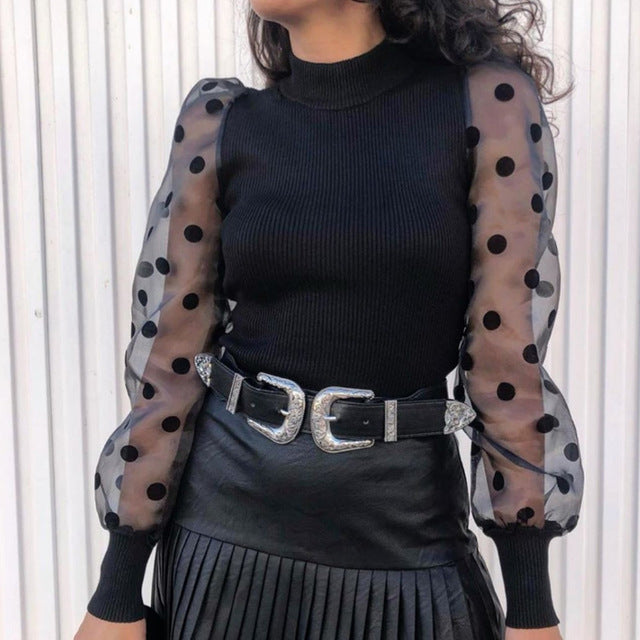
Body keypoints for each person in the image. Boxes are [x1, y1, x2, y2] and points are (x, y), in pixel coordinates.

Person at [74, 1, 584, 638]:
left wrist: (530, 607)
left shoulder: (485, 107)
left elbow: (509, 361)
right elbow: (168, 361)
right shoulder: (222, 122)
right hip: (219, 543)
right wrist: (117, 589)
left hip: (403, 545)